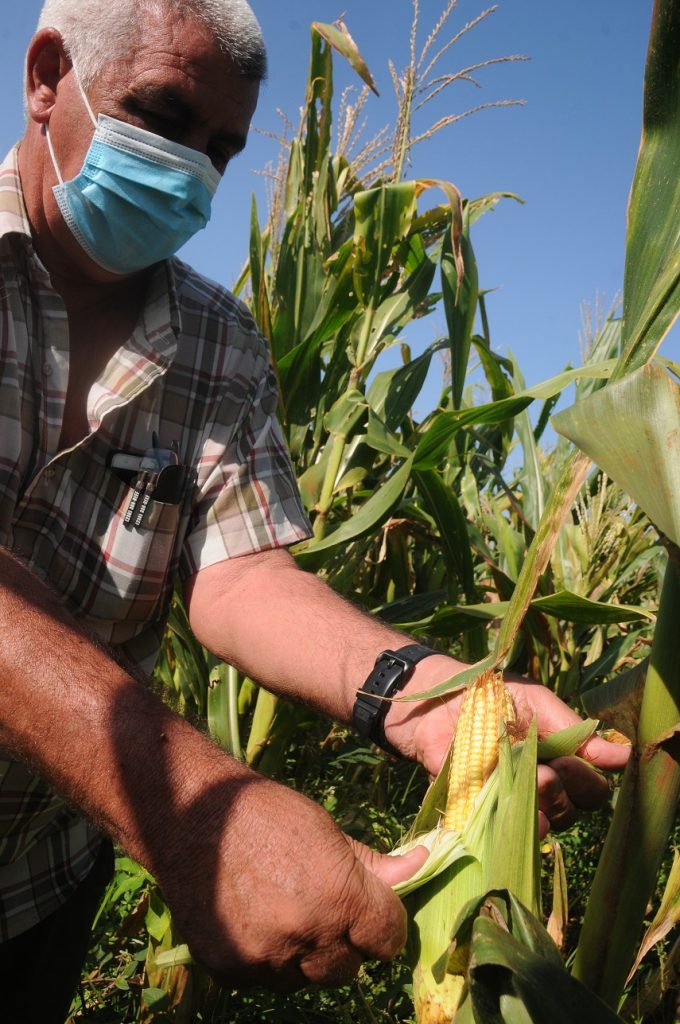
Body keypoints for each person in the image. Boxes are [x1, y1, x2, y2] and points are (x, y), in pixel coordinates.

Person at [0, 0, 628, 1019]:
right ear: (45, 77)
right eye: (162, 117)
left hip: (41, 874)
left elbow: (239, 571)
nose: (192, 172)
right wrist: (188, 808)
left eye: (222, 148)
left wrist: (428, 697)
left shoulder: (219, 343)